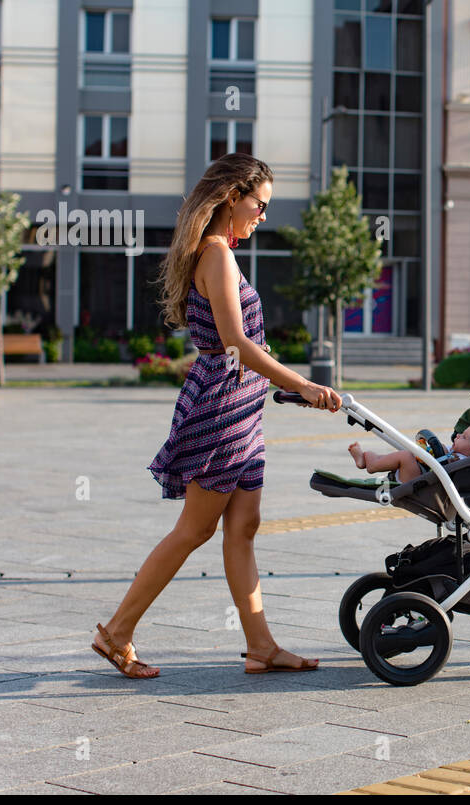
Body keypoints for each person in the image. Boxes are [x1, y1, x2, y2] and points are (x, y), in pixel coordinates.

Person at [91, 153, 341, 679]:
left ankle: (261, 646)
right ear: (233, 196)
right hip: (223, 406)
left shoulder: (221, 252)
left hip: (240, 405)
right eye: (260, 204)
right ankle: (116, 632)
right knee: (194, 529)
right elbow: (236, 344)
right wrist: (303, 385)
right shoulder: (216, 255)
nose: (263, 216)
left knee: (244, 526)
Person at [348, 424, 470, 485]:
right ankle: (368, 459)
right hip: (419, 474)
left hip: (419, 484)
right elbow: (440, 451)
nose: (458, 435)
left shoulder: (464, 461)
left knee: (405, 456)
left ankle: (372, 464)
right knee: (406, 454)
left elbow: (448, 462)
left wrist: (441, 451)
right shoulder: (455, 450)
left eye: (463, 437)